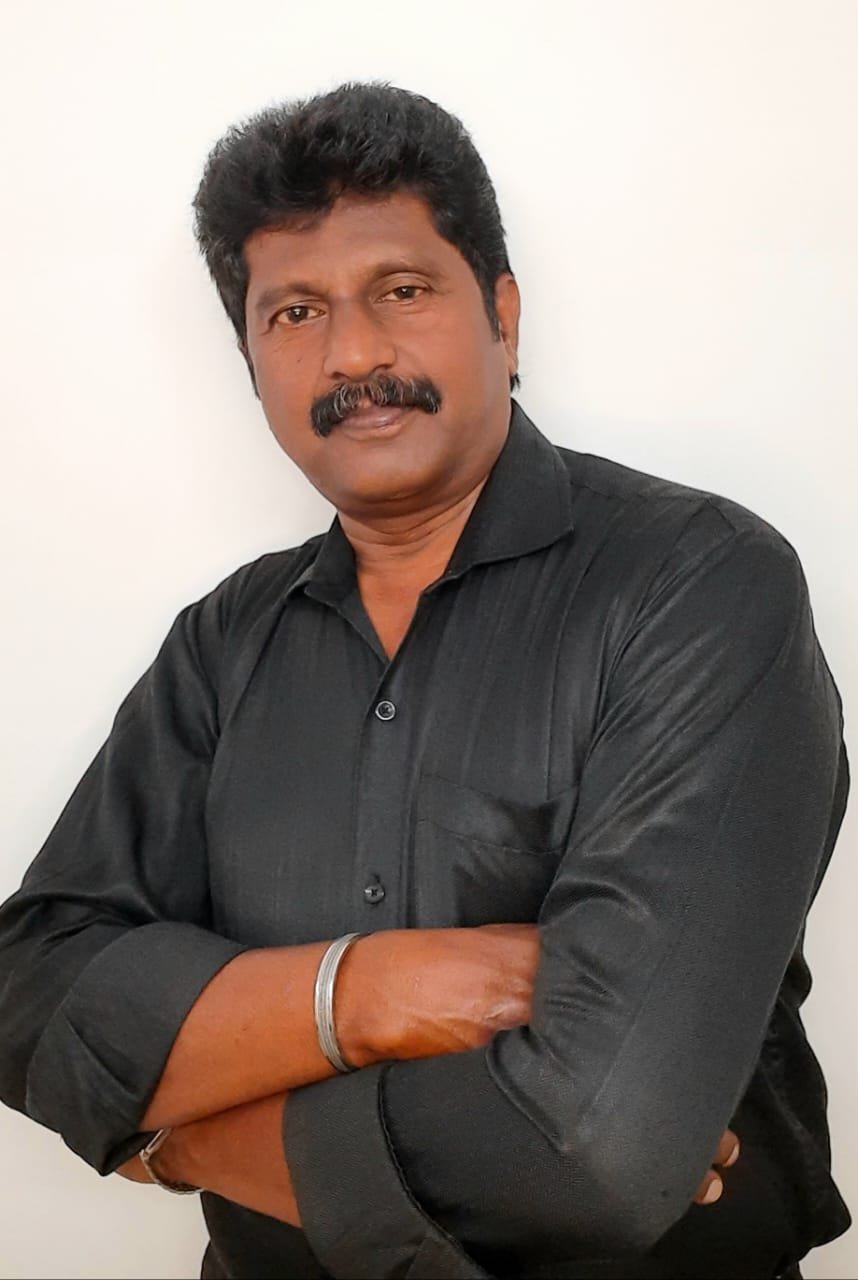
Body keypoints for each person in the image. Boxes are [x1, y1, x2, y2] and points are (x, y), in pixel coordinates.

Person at [0, 81, 849, 1280]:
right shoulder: (222, 643)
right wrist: (362, 990)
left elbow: (596, 1154)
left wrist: (174, 1136)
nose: (353, 353)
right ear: (251, 363)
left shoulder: (698, 585)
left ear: (503, 313)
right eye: (296, 311)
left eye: (400, 290)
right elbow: (28, 989)